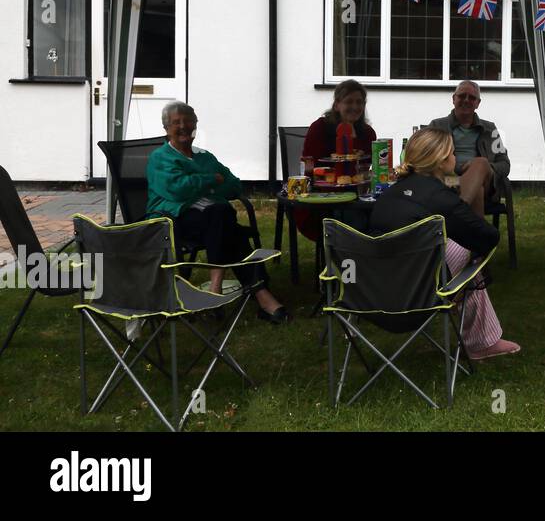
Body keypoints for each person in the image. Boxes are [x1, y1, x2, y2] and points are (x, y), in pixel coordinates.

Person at [369, 127, 519, 360]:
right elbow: (489, 237)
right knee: (466, 250)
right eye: (452, 153)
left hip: (371, 296)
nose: (455, 157)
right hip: (419, 297)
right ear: (440, 162)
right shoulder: (440, 199)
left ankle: (483, 338)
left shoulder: (388, 194)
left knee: (445, 245)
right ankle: (482, 342)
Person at [146, 101, 289, 323]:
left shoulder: (205, 157)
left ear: (195, 125)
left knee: (223, 220)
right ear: (166, 129)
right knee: (225, 219)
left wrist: (202, 185)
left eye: (189, 121)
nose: (183, 126)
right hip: (173, 220)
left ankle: (219, 292)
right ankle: (259, 296)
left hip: (210, 221)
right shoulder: (160, 157)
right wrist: (211, 180)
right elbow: (177, 189)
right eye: (176, 122)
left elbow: (234, 185)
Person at [296, 79, 378, 241]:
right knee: (352, 217)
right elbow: (311, 166)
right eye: (349, 101)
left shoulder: (368, 133)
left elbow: (364, 168)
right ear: (336, 105)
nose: (355, 107)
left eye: (359, 102)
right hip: (321, 198)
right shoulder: (319, 128)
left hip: (358, 195)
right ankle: (351, 256)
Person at [428, 81, 510, 219]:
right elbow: (425, 159)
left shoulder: (490, 129)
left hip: (486, 183)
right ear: (454, 99)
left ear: (478, 103)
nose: (466, 100)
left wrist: (479, 168)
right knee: (476, 188)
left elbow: (505, 164)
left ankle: (458, 212)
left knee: (481, 163)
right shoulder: (437, 126)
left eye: (471, 98)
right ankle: (476, 237)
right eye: (462, 96)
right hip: (449, 181)